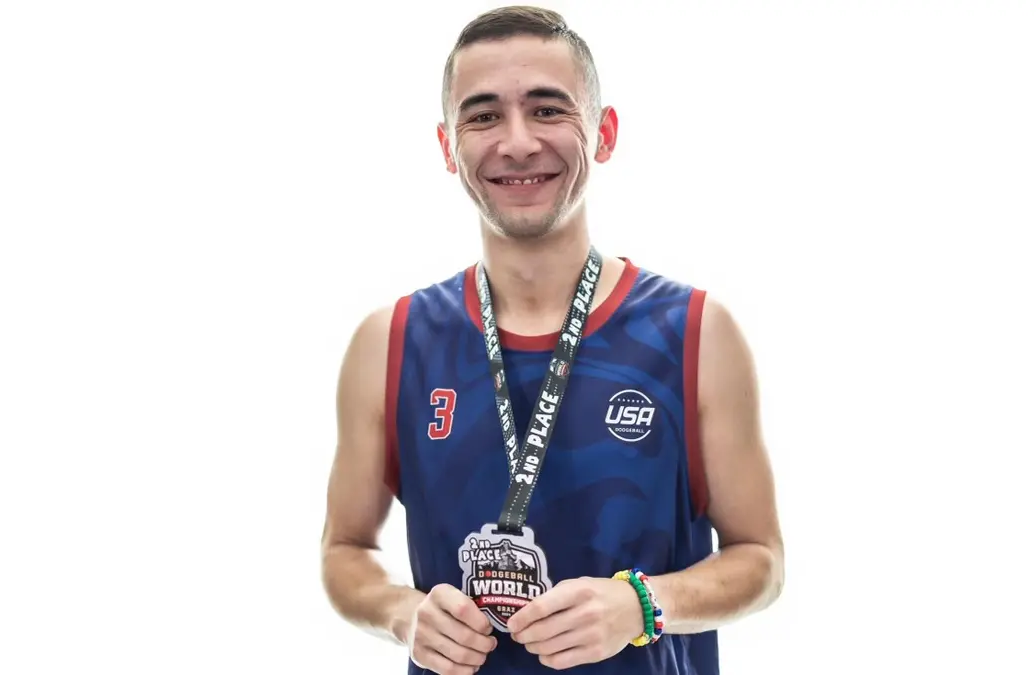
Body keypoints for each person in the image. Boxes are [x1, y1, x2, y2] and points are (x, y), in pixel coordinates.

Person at [321, 6, 784, 674]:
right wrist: (401, 611)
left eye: (546, 110)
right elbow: (343, 548)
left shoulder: (697, 331)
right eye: (482, 116)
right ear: (449, 147)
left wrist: (645, 604)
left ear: (604, 132)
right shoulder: (390, 340)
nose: (516, 143)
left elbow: (762, 560)